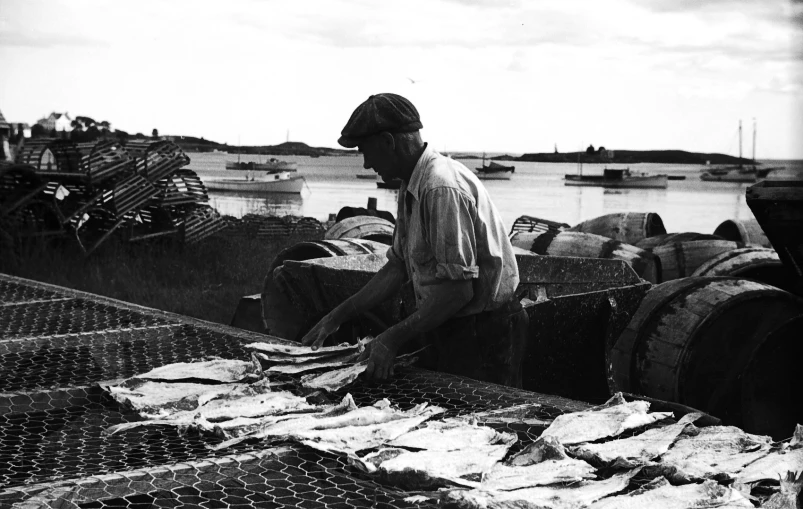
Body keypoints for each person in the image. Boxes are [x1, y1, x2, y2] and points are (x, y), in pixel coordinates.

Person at [301, 93, 528, 387]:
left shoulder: (439, 187)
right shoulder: (411, 182)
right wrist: (336, 316)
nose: (368, 163)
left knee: (481, 424)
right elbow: (396, 269)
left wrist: (389, 340)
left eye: (365, 151)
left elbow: (459, 291)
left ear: (388, 142)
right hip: (451, 324)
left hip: (485, 332)